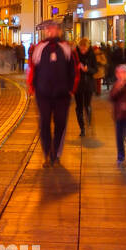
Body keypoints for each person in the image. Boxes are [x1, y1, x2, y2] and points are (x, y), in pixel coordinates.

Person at [28, 18, 78, 168]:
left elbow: (73, 70)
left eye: (53, 29)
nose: (50, 31)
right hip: (43, 94)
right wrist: (32, 88)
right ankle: (46, 154)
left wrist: (71, 90)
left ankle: (56, 153)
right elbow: (33, 68)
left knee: (60, 124)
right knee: (44, 124)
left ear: (59, 31)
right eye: (48, 29)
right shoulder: (39, 47)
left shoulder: (66, 48)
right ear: (45, 31)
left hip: (62, 95)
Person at [73, 37, 99, 135]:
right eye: (81, 48)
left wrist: (87, 70)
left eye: (85, 49)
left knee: (87, 105)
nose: (83, 50)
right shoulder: (75, 55)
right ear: (79, 47)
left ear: (88, 47)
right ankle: (82, 128)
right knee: (79, 107)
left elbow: (95, 69)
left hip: (88, 84)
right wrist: (77, 68)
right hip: (78, 85)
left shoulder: (92, 55)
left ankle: (88, 123)